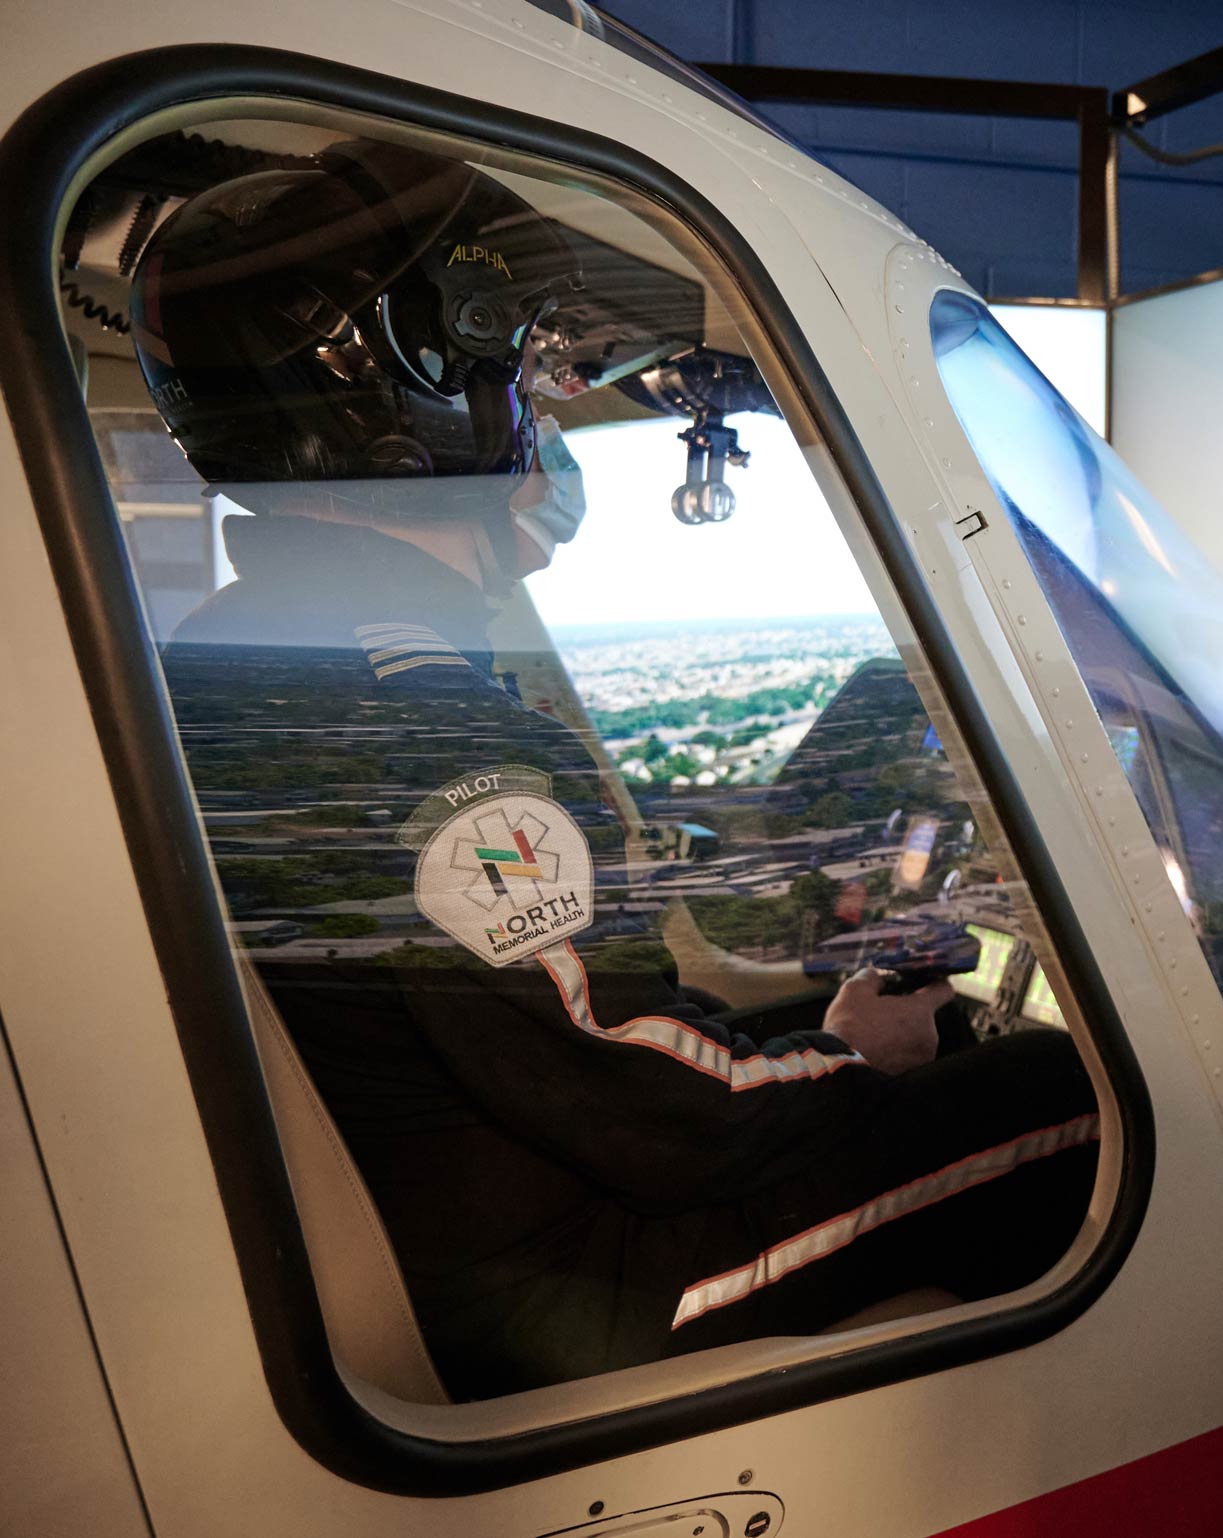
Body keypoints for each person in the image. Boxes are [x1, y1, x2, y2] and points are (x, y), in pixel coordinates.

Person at [132, 137, 1098, 1400]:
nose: (536, 408)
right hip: (584, 1282)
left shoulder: (239, 662)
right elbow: (651, 1106)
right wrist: (857, 1061)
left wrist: (820, 1037)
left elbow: (581, 1038)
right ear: (427, 388)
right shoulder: (418, 730)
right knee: (1084, 1093)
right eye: (521, 370)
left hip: (489, 1219)